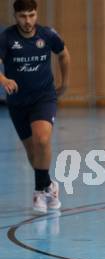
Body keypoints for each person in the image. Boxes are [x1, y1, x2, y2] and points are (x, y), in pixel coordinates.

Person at [0, 0, 70, 213]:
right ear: (16, 16)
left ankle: (40, 191)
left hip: (44, 98)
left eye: (31, 15)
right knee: (32, 153)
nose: (28, 21)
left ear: (36, 14)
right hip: (18, 102)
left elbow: (64, 54)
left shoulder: (48, 35)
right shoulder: (7, 38)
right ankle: (49, 185)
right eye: (23, 16)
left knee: (42, 139)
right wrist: (4, 80)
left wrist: (65, 82)